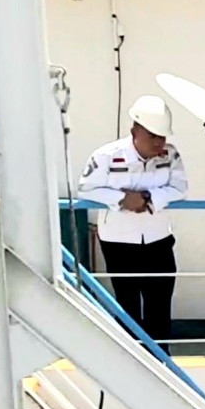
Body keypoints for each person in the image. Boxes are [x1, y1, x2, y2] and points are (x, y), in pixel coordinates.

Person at [78, 95, 188, 354]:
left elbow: (179, 188)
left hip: (158, 239)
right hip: (119, 243)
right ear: (134, 131)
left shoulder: (170, 156)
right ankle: (132, 361)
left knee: (159, 306)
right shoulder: (106, 156)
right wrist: (121, 200)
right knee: (127, 307)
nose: (159, 142)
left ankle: (161, 361)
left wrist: (151, 198)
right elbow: (86, 189)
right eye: (153, 136)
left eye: (162, 136)